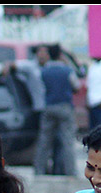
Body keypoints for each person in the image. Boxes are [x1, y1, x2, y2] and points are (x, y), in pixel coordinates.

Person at [33, 44, 81, 177]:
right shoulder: (67, 70)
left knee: (44, 141)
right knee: (67, 141)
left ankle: (39, 171)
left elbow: (40, 89)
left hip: (49, 106)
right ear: (60, 55)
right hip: (65, 107)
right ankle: (71, 172)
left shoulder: (43, 71)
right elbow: (76, 86)